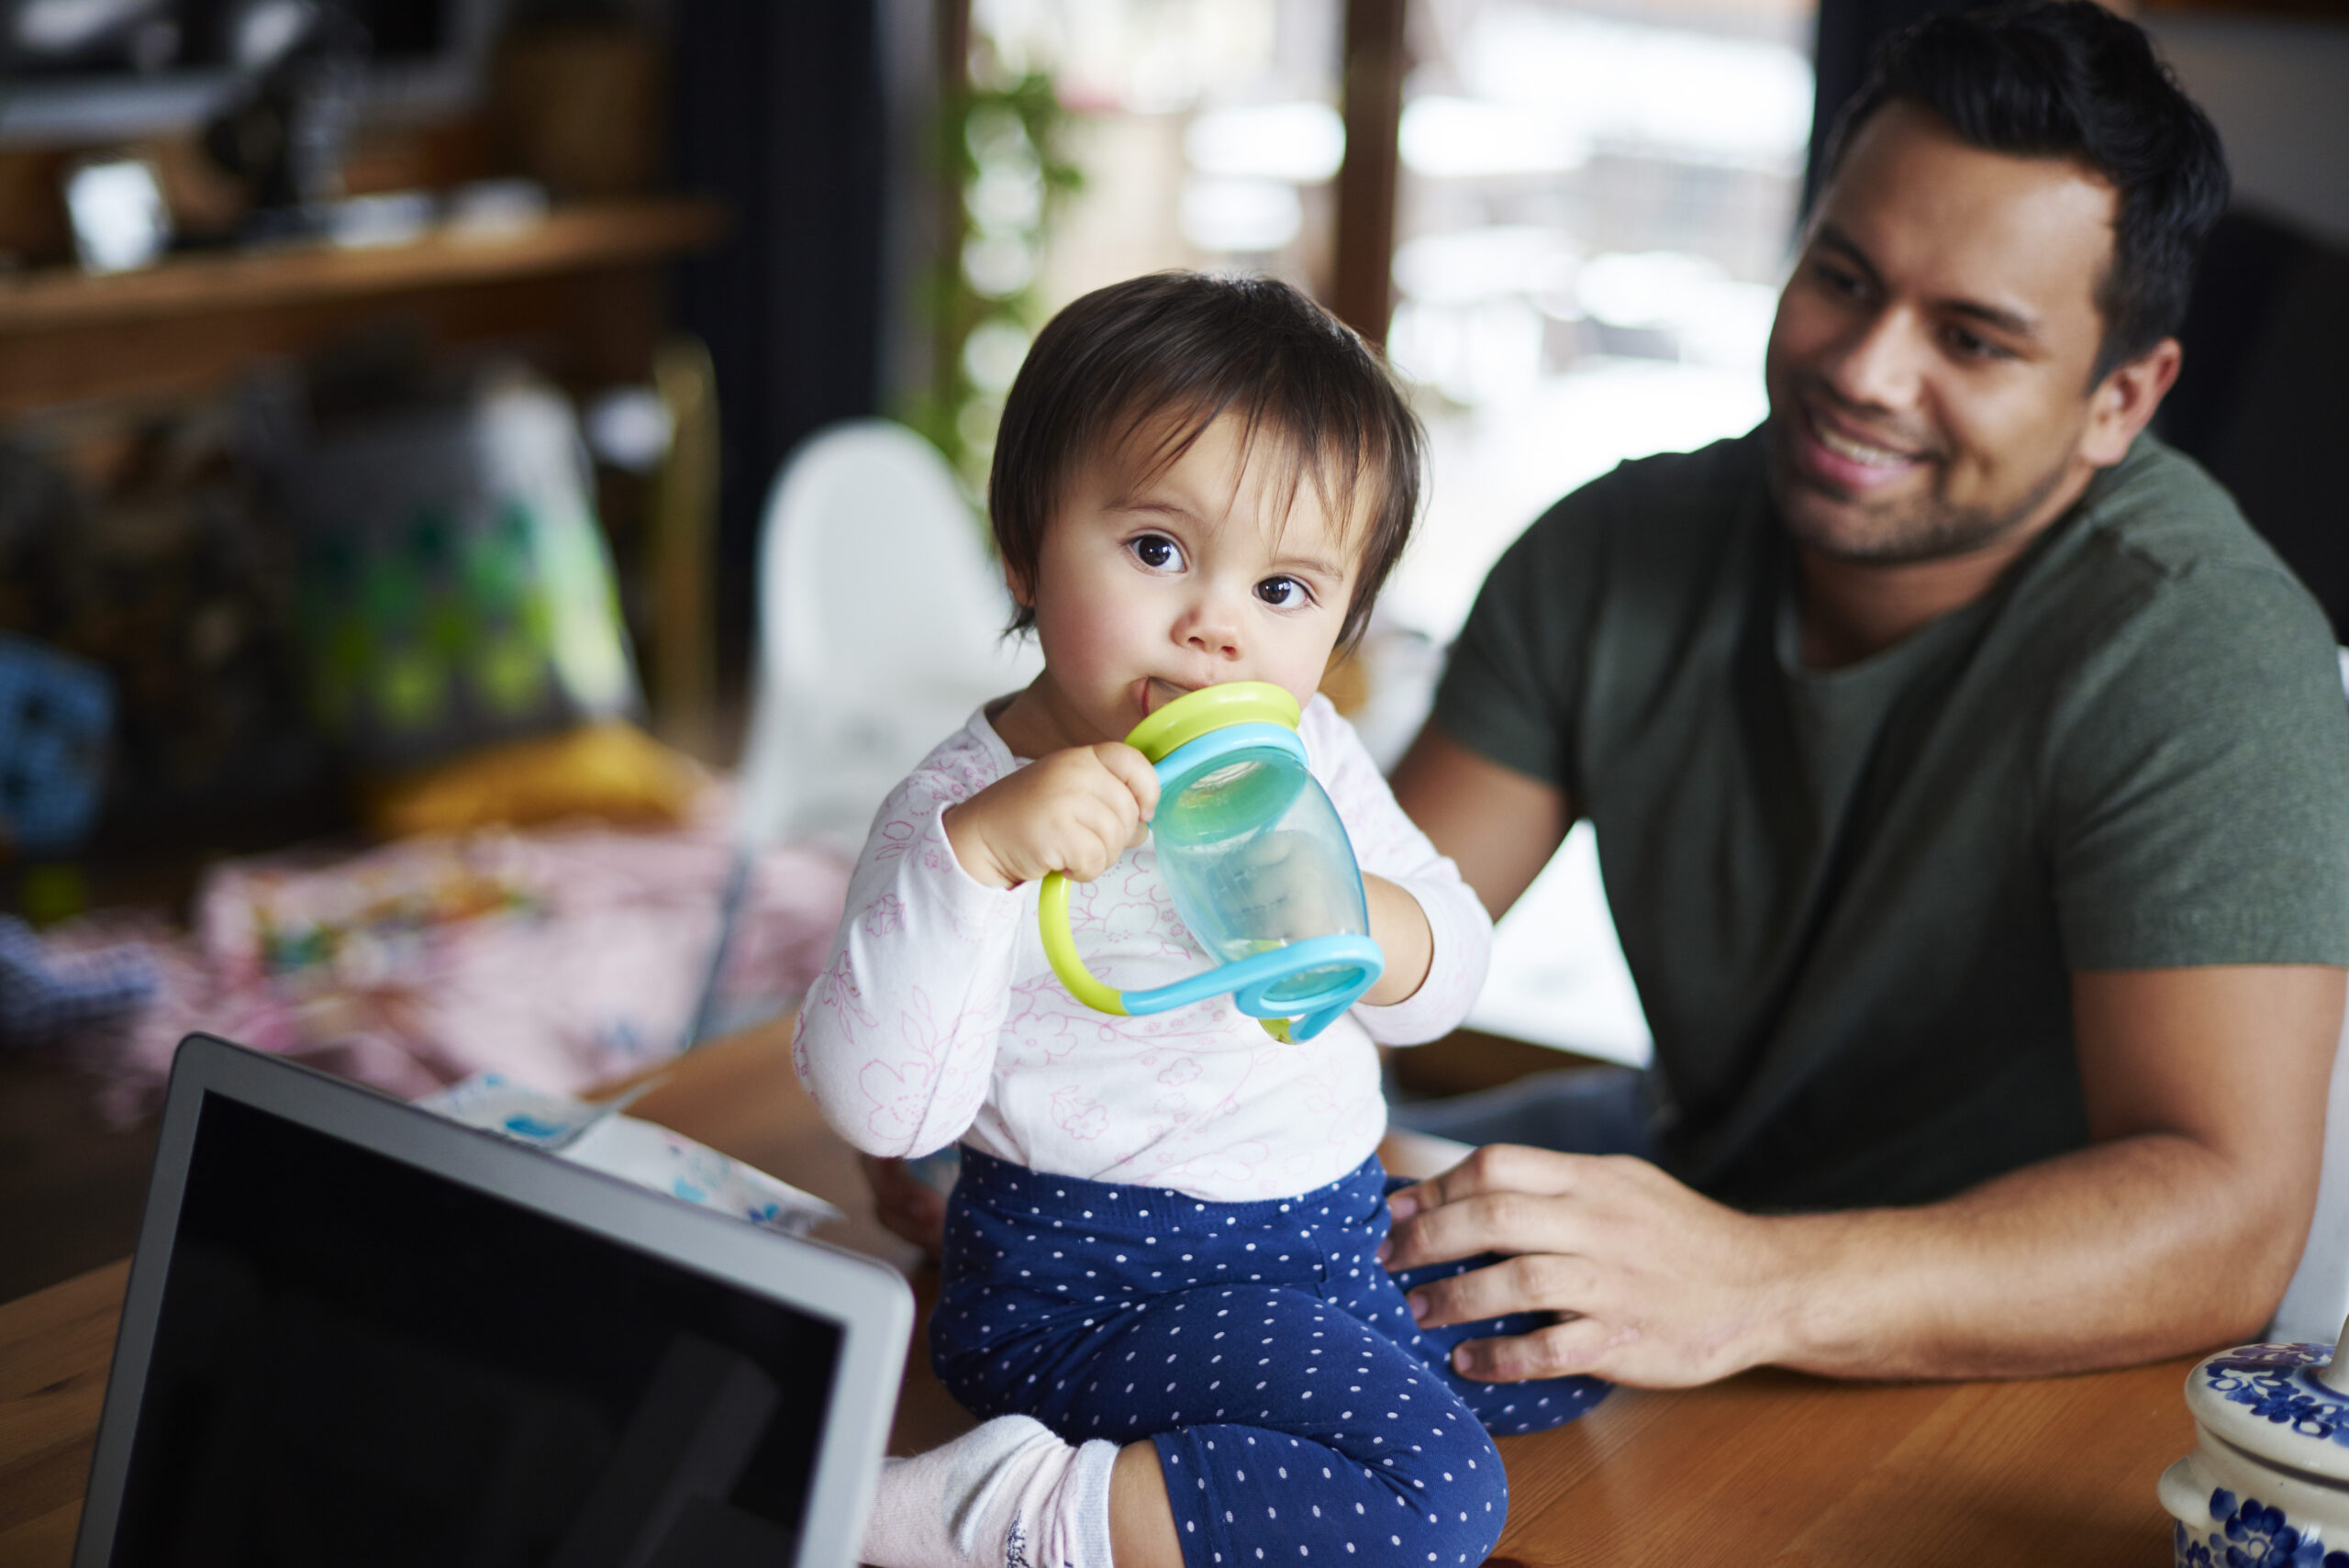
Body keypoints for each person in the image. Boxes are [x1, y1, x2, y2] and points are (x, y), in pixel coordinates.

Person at [1374, 0, 2349, 1391]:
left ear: (2121, 400)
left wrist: (1752, 1281)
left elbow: (2226, 1221)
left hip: (2017, 1354)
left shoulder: (2202, 647)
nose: (1864, 369)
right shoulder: (1611, 549)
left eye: (1972, 339)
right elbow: (1352, 965)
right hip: (1697, 1190)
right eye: (1843, 276)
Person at [794, 272, 1605, 1568]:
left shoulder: (1312, 753)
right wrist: (983, 861)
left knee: (1565, 1316)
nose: (1216, 625)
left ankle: (1204, 1462)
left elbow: (1447, 967)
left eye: (1285, 589)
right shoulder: (964, 807)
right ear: (1023, 547)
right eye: (1157, 550)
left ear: (1346, 618)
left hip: (1320, 1229)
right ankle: (971, 1508)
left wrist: (1364, 923)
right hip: (1100, 1283)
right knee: (1440, 1498)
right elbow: (882, 1112)